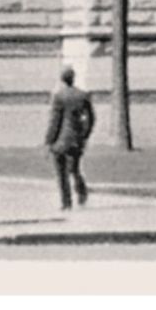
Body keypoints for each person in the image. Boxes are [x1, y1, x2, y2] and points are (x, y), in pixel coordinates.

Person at [44, 66, 94, 212]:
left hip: (60, 139)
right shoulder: (82, 95)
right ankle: (81, 191)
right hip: (76, 138)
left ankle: (66, 202)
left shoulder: (58, 96)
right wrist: (85, 134)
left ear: (62, 79)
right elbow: (91, 118)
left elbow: (55, 120)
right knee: (75, 168)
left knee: (61, 172)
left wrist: (48, 140)